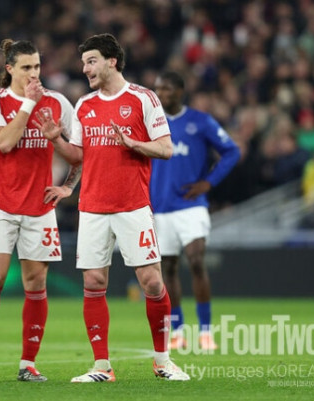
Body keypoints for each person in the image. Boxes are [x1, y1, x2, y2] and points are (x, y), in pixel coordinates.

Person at [34, 33, 189, 381]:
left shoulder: (143, 98)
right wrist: (56, 140)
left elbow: (166, 148)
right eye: (84, 62)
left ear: (111, 62)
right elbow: (78, 155)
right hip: (92, 206)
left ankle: (163, 361)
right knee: (93, 281)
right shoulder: (84, 105)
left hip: (132, 205)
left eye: (91, 61)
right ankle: (101, 366)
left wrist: (134, 143)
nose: (85, 68)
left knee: (152, 282)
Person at [0, 39, 79, 383]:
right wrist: (29, 104)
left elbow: (80, 152)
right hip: (1, 204)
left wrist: (68, 185)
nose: (34, 73)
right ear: (10, 69)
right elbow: (4, 142)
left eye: (37, 66)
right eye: (26, 67)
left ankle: (28, 363)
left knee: (36, 282)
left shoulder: (57, 102)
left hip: (40, 207)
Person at [150, 71, 241, 351]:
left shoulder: (200, 122)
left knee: (197, 260)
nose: (161, 94)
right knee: (168, 268)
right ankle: (178, 331)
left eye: (166, 89)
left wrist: (209, 182)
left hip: (191, 205)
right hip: (160, 206)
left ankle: (205, 331)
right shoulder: (150, 123)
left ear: (180, 91)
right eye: (158, 89)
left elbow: (232, 151)